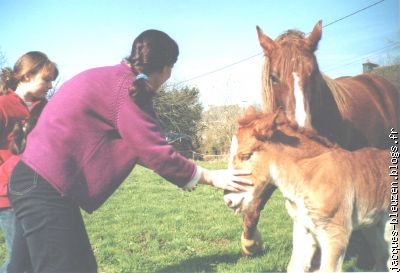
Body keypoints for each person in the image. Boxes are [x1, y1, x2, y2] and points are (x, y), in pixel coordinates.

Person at [8, 30, 252, 273]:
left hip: (31, 181)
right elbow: (154, 149)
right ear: (167, 68)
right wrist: (210, 176)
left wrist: (189, 173)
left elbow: (140, 148)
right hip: (46, 188)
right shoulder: (125, 89)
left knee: (23, 268)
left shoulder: (109, 78)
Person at [0, 51, 58, 273]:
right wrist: (10, 172)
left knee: (36, 258)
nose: (51, 85)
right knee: (19, 263)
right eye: (46, 78)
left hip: (38, 194)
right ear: (26, 76)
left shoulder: (46, 109)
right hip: (9, 197)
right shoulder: (4, 105)